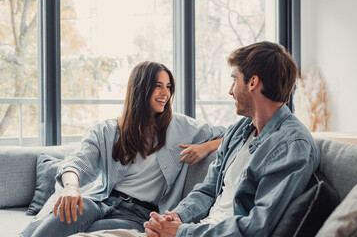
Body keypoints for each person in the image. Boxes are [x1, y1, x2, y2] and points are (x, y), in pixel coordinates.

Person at [21, 61, 225, 237]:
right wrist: (71, 188)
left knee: (90, 230)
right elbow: (77, 163)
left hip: (138, 214)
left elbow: (231, 133)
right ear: (140, 88)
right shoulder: (108, 130)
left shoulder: (180, 126)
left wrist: (205, 147)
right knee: (68, 213)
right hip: (103, 201)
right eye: (158, 86)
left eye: (169, 87)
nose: (166, 93)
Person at [144, 41, 321, 237]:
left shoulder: (292, 144)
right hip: (200, 229)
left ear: (253, 82)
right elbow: (208, 190)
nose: (230, 90)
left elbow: (257, 227)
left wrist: (183, 232)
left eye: (234, 80)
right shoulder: (238, 131)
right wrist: (174, 218)